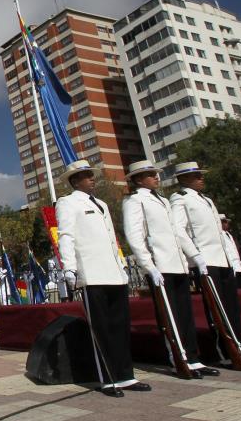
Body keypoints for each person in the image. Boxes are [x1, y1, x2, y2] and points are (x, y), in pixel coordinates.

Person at [56, 160, 149, 396]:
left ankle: (125, 375)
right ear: (75, 181)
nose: (92, 178)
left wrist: (121, 265)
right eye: (86, 175)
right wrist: (69, 267)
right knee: (101, 328)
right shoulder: (67, 203)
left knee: (119, 326)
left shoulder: (102, 204)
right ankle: (107, 378)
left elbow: (111, 238)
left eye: (91, 174)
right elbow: (66, 235)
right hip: (92, 273)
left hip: (114, 273)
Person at [121, 160, 217, 379]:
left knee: (185, 315)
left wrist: (193, 256)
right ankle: (179, 359)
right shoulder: (135, 201)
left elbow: (176, 232)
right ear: (138, 179)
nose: (156, 177)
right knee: (169, 316)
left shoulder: (164, 201)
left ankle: (193, 358)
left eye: (156, 173)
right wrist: (148, 265)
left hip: (178, 263)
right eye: (150, 174)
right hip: (160, 265)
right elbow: (135, 235)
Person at [170, 162, 241, 369]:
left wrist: (230, 258)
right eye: (196, 176)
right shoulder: (180, 199)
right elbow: (179, 230)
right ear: (184, 179)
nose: (201, 178)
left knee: (231, 307)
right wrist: (195, 256)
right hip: (206, 260)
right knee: (217, 309)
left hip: (221, 260)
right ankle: (225, 352)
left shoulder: (206, 200)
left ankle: (240, 348)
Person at [220, 215, 241, 288]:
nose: (227, 224)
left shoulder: (229, 234)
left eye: (227, 222)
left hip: (237, 263)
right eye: (224, 222)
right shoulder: (220, 234)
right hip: (229, 263)